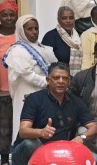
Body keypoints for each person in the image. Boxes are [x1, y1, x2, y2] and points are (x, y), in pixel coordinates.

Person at [11, 62, 97, 165]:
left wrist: (81, 137)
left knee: (95, 160)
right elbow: (23, 131)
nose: (61, 81)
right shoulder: (34, 99)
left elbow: (94, 128)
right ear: (48, 80)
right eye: (56, 78)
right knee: (29, 145)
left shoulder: (76, 101)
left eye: (65, 78)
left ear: (69, 81)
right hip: (38, 148)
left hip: (61, 152)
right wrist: (41, 132)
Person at [3, 14, 57, 142]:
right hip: (25, 93)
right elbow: (28, 75)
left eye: (36, 28)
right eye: (29, 29)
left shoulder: (43, 48)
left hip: (44, 93)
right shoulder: (17, 51)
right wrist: (48, 82)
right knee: (26, 126)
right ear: (22, 31)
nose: (34, 32)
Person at [0, 0, 18, 165]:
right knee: (3, 124)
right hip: (1, 88)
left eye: (12, 15)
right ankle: (4, 161)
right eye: (4, 15)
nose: (8, 18)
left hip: (20, 88)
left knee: (20, 124)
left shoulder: (21, 32)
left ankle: (20, 159)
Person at [41, 6, 83, 76]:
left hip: (77, 80)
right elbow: (46, 63)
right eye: (64, 18)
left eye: (71, 18)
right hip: (58, 80)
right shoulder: (50, 36)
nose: (68, 21)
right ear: (58, 20)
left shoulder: (79, 37)